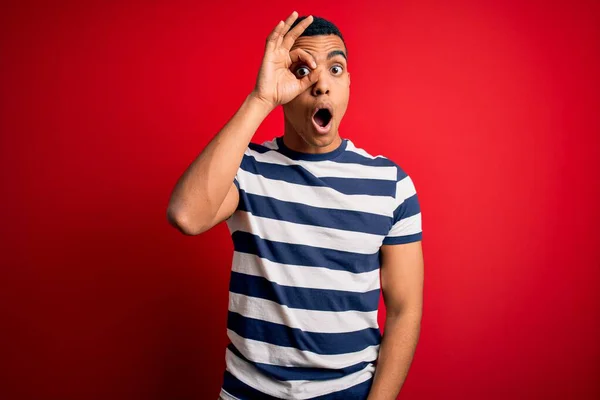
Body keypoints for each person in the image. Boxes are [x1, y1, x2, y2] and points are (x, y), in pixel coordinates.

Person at [167, 11, 424, 400]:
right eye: (303, 72)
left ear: (349, 83)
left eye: (336, 69)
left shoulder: (390, 185)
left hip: (350, 392)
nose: (322, 85)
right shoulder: (246, 169)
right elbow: (187, 215)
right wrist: (261, 98)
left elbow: (405, 309)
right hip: (248, 390)